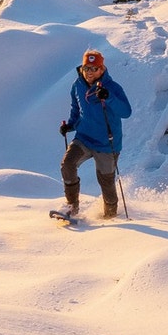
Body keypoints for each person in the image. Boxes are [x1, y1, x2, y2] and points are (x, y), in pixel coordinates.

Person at [58, 47, 132, 219]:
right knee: (67, 165)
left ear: (102, 69)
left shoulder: (112, 87)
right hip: (84, 138)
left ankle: (111, 216)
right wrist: (70, 125)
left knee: (105, 181)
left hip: (107, 143)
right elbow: (77, 108)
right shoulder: (77, 85)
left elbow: (126, 112)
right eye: (86, 68)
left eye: (94, 68)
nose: (89, 72)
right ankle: (71, 207)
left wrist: (108, 97)